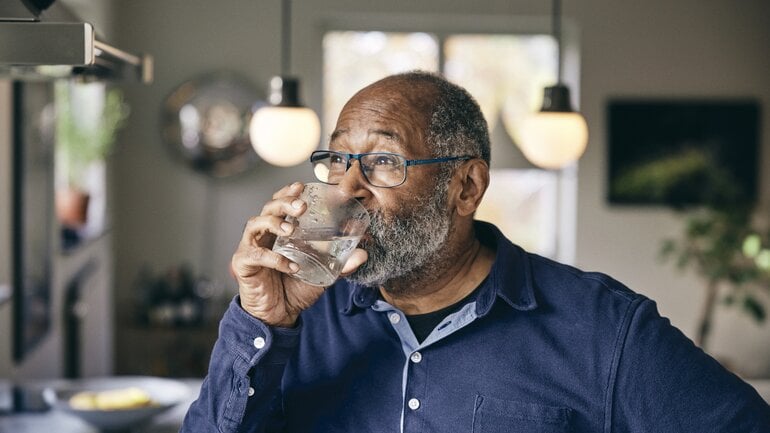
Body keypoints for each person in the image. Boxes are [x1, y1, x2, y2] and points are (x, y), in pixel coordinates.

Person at [182, 71, 770, 433]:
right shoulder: (295, 319)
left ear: (466, 187)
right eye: (338, 159)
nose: (347, 187)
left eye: (385, 161)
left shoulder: (603, 330)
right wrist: (261, 322)